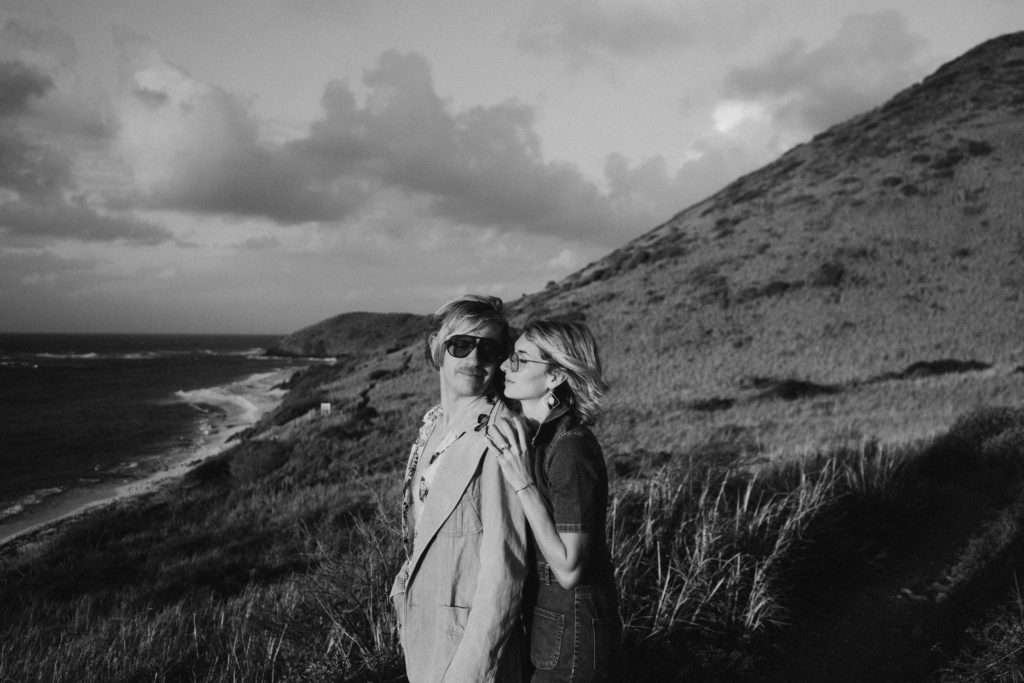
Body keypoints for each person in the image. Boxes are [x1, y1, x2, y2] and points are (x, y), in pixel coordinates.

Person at [390, 294, 529, 683]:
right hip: (426, 634)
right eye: (461, 345)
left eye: (489, 348)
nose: (473, 358)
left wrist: (471, 671)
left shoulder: (500, 432)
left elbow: (506, 568)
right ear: (438, 348)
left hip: (469, 651)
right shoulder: (432, 425)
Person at [485, 319, 623, 682]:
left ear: (555, 377)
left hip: (576, 641)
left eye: (520, 360)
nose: (504, 367)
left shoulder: (571, 448)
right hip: (555, 633)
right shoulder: (541, 440)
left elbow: (569, 568)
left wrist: (523, 483)